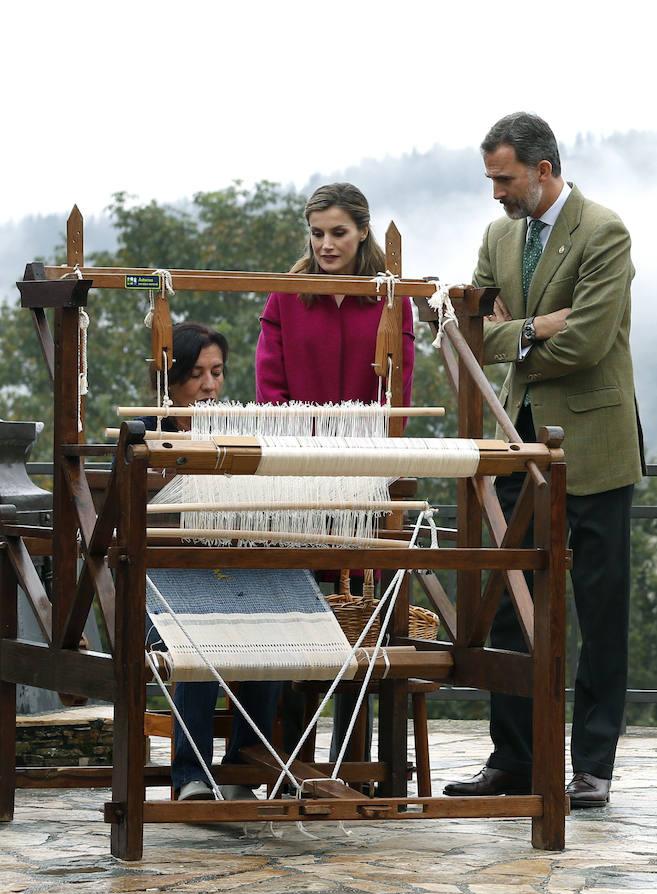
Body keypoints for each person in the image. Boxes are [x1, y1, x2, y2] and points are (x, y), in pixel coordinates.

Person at [443, 113, 644, 808]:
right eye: (490, 178)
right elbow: (466, 329)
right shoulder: (499, 235)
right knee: (506, 608)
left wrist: (508, 335)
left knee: (597, 611)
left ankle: (592, 767)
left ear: (543, 170)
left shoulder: (604, 231)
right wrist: (531, 329)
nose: (494, 192)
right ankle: (515, 761)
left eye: (503, 178)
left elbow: (586, 342)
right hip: (516, 444)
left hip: (595, 449)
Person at [255, 182, 415, 762]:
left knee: (364, 613)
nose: (325, 244)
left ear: (363, 231)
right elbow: (270, 392)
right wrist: (300, 461)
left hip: (366, 478)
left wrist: (372, 465)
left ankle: (356, 758)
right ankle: (286, 754)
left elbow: (399, 390)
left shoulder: (391, 302)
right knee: (295, 602)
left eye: (337, 233)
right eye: (317, 233)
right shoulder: (286, 299)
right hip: (300, 479)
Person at [142, 322, 281, 802]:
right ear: (172, 379)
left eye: (217, 373)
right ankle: (191, 777)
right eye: (196, 373)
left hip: (226, 580)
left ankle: (243, 768)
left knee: (277, 639)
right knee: (198, 641)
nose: (208, 386)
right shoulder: (144, 439)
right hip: (158, 590)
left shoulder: (237, 438)